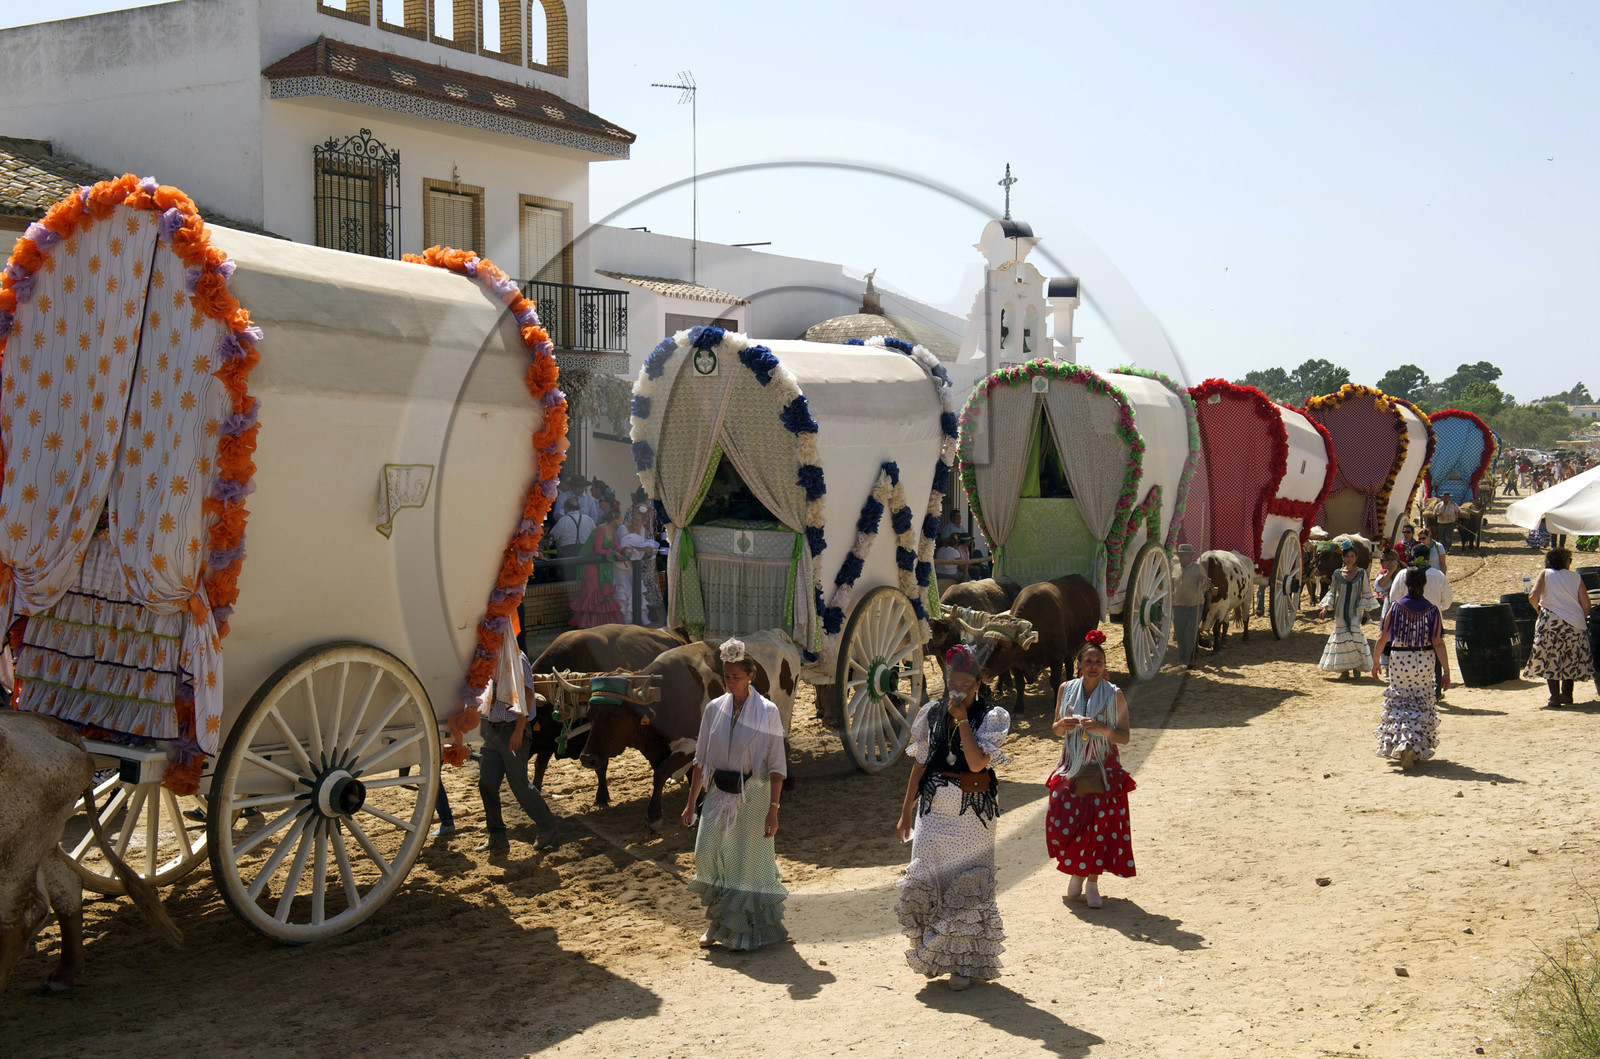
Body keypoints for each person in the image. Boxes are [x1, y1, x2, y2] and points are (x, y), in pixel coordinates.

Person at [894, 644, 1011, 989]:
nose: (956, 689)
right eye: (951, 682)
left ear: (977, 684)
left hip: (972, 812)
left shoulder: (991, 716)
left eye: (964, 683)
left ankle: (962, 962)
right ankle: (934, 952)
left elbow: (976, 763)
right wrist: (905, 812)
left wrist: (961, 721)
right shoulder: (930, 712)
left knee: (965, 883)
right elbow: (920, 764)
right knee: (927, 876)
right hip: (933, 809)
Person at [681, 639, 789, 950]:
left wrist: (774, 810)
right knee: (706, 852)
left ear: (750, 676)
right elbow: (701, 759)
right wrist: (691, 803)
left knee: (744, 863)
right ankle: (719, 914)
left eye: (735, 677)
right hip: (718, 791)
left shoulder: (767, 712)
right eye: (726, 676)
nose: (729, 682)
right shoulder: (714, 709)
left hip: (754, 793)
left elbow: (777, 764)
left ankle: (728, 926)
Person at [1045, 629, 1134, 908]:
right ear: (1079, 665)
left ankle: (1092, 882)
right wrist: (1063, 725)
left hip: (1102, 768)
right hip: (1071, 765)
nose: (1093, 666)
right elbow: (1056, 730)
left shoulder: (1115, 695)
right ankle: (1075, 871)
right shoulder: (1065, 689)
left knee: (1100, 826)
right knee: (1064, 815)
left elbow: (1124, 736)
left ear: (1104, 666)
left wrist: (1101, 728)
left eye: (1098, 662)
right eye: (1089, 661)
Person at [475, 649, 562, 854]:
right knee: (486, 783)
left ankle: (547, 825)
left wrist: (519, 730)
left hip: (512, 729)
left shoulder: (517, 658)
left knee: (519, 784)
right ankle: (497, 835)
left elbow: (527, 693)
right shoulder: (489, 658)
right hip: (494, 730)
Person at [1371, 566, 1451, 770]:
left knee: (1401, 701)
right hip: (1424, 659)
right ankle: (1413, 745)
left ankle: (1403, 742)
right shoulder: (1432, 610)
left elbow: (1383, 637)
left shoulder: (1396, 607)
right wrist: (1447, 671)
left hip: (1400, 658)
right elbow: (1438, 642)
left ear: (1405, 584)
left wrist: (1375, 660)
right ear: (1425, 584)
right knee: (1420, 701)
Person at [1524, 546, 1594, 707]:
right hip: (1574, 623)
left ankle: (1554, 696)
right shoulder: (1575, 577)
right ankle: (1568, 695)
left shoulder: (1546, 574)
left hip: (1550, 621)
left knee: (1550, 657)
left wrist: (1538, 610)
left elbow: (1533, 596)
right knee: (1570, 657)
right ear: (1566, 562)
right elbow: (1586, 604)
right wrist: (1578, 618)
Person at [1317, 540, 1377, 679]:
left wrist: (1366, 612)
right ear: (1343, 558)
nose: (1350, 559)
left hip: (1355, 611)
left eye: (1352, 556)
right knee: (1341, 637)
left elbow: (1365, 592)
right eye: (1347, 556)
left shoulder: (1362, 573)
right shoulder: (1337, 574)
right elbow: (1332, 591)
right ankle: (1344, 670)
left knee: (1354, 635)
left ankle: (1356, 666)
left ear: (1356, 558)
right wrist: (1325, 609)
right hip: (1340, 611)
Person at [569, 504, 623, 628]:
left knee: (602, 591)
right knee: (593, 592)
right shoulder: (601, 529)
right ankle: (586, 623)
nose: (621, 521)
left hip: (601, 566)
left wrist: (623, 550)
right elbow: (598, 549)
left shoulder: (612, 530)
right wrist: (614, 553)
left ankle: (599, 623)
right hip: (591, 566)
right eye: (620, 518)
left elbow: (615, 546)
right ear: (615, 519)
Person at [615, 504, 660, 624]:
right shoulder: (622, 529)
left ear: (643, 522)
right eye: (634, 519)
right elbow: (624, 548)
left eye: (638, 520)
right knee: (622, 591)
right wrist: (642, 548)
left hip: (633, 565)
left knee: (635, 588)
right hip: (622, 565)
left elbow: (641, 544)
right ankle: (622, 619)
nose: (635, 522)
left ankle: (635, 618)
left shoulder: (642, 530)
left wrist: (644, 548)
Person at [1171, 544, 1208, 668]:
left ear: (1190, 556)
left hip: (1194, 606)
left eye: (1184, 555)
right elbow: (1170, 586)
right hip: (1178, 606)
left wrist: (1202, 581)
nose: (1181, 557)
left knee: (1190, 633)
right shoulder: (1174, 568)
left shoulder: (1198, 569)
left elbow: (1207, 586)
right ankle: (1183, 658)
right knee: (1180, 634)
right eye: (1180, 555)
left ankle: (1191, 658)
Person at [549, 497, 596, 583]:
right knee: (583, 576)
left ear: (566, 508)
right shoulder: (589, 519)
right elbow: (595, 535)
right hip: (585, 550)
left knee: (569, 578)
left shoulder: (563, 520)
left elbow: (553, 536)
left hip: (568, 552)